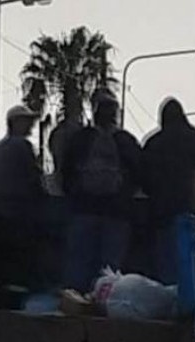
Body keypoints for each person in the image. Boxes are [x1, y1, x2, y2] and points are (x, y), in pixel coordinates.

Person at [61, 88, 141, 293]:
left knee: (79, 261)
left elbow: (65, 171)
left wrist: (75, 195)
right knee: (110, 268)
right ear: (116, 114)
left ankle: (75, 304)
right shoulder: (126, 140)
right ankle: (106, 305)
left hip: (84, 209)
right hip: (117, 212)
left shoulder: (81, 138)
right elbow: (140, 172)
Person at [141, 97, 195, 283]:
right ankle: (190, 301)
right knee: (192, 263)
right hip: (193, 211)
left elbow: (142, 175)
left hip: (161, 214)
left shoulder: (155, 142)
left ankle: (168, 298)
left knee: (165, 265)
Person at [0, 104, 48, 295]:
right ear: (14, 123)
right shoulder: (22, 147)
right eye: (27, 122)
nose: (31, 127)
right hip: (15, 214)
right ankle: (11, 303)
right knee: (15, 263)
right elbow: (34, 180)